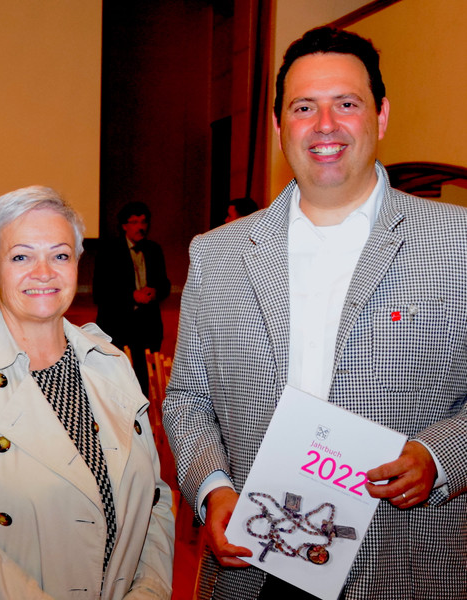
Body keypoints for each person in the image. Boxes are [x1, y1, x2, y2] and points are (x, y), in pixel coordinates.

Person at [163, 26, 467, 600]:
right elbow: (188, 400)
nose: (325, 124)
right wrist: (213, 487)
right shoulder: (218, 254)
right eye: (304, 107)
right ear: (280, 128)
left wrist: (440, 456)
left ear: (380, 116)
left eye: (346, 103)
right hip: (256, 558)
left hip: (404, 560)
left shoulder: (458, 243)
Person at [0, 186, 174, 599]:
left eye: (60, 255)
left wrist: (149, 593)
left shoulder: (112, 363)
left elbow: (154, 501)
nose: (44, 272)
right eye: (21, 257)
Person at [93, 201, 170, 395]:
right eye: (135, 222)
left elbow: (165, 285)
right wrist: (132, 296)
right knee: (117, 381)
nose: (140, 227)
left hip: (147, 326)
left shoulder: (154, 250)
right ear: (124, 226)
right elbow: (100, 291)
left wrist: (155, 292)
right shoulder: (109, 251)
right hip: (117, 325)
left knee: (144, 381)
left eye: (144, 222)